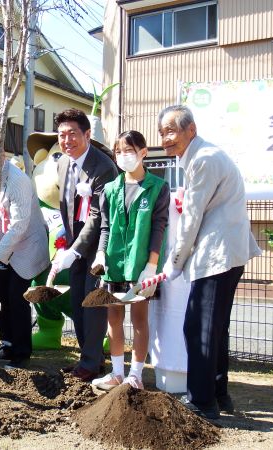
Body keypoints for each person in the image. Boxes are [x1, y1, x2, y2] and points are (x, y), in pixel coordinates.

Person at [158, 105, 261, 419]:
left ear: (191, 130)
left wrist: (175, 261)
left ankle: (203, 403)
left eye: (171, 131)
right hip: (226, 253)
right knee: (214, 328)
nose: (165, 139)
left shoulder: (202, 159)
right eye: (162, 133)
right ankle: (217, 394)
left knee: (199, 328)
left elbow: (191, 218)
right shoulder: (202, 156)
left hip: (217, 255)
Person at [91, 130, 169, 391]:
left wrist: (151, 265)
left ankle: (135, 375)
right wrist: (101, 253)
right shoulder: (111, 189)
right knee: (113, 318)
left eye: (129, 150)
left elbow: (159, 227)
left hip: (139, 265)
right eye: (119, 151)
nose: (123, 156)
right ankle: (115, 373)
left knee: (139, 318)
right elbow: (105, 226)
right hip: (113, 263)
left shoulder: (157, 187)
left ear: (143, 152)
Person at [50, 108, 118, 382]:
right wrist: (67, 243)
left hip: (99, 243)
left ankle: (91, 364)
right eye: (62, 135)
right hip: (74, 243)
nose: (67, 141)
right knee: (77, 301)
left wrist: (77, 249)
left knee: (92, 303)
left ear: (87, 134)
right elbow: (65, 206)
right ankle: (87, 359)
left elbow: (99, 215)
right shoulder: (63, 163)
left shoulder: (103, 167)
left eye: (73, 134)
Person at [0, 136, 49, 369]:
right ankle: (7, 343)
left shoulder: (18, 180)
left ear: (1, 154)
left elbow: (19, 224)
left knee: (17, 297)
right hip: (2, 243)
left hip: (27, 245)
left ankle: (21, 351)